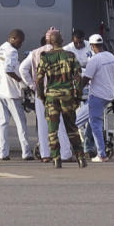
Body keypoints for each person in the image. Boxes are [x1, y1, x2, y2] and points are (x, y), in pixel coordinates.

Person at [36, 30, 88, 169]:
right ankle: (81, 158)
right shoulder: (70, 56)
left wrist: (42, 96)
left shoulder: (45, 57)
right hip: (67, 96)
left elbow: (39, 80)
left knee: (52, 130)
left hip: (52, 96)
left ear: (50, 43)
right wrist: (77, 96)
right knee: (72, 128)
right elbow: (78, 78)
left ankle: (56, 159)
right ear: (62, 41)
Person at [19, 30, 73, 162]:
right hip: (58, 91)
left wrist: (32, 85)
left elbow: (22, 69)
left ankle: (45, 155)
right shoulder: (64, 53)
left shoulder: (35, 52)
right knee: (59, 123)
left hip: (41, 92)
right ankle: (65, 154)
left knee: (43, 124)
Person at [0, 29, 33, 161]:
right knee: (21, 122)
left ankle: (3, 153)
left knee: (3, 123)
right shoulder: (12, 51)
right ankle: (26, 152)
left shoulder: (0, 49)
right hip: (11, 93)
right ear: (13, 39)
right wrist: (21, 81)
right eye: (20, 42)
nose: (21, 45)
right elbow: (8, 70)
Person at [82, 34, 114, 162]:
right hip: (108, 95)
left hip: (97, 96)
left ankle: (101, 154)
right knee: (92, 122)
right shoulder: (110, 56)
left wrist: (76, 92)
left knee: (95, 124)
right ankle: (89, 146)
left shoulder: (94, 60)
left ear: (92, 46)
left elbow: (86, 79)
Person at [64, 29, 95, 155]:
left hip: (89, 83)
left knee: (92, 118)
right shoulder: (67, 49)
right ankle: (69, 140)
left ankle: (88, 145)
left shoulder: (90, 46)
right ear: (73, 40)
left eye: (80, 43)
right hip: (75, 84)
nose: (78, 45)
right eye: (76, 43)